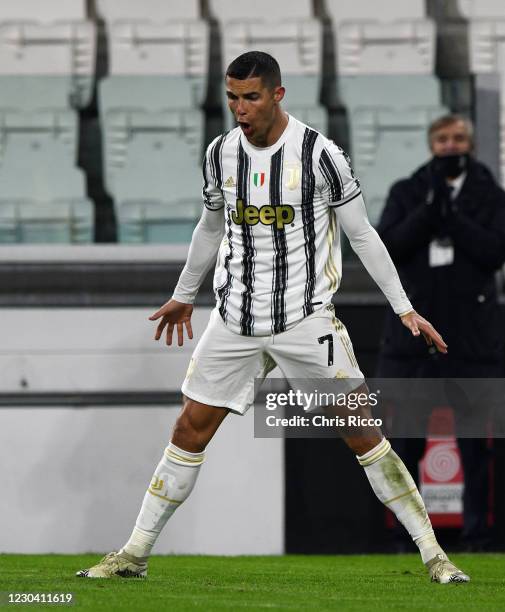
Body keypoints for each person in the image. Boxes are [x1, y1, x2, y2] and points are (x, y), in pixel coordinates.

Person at [77, 52, 469, 583]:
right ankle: (134, 554)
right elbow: (210, 229)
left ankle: (434, 555)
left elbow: (361, 236)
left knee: (363, 434)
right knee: (189, 429)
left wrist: (403, 308)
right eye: (232, 97)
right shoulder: (220, 154)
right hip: (234, 318)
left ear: (278, 94)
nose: (240, 108)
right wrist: (183, 294)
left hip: (305, 320)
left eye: (251, 97)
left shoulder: (320, 155)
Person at [376, 114, 505, 550]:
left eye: (458, 139)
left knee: (476, 447)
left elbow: (493, 253)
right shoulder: (407, 192)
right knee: (405, 445)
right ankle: (406, 536)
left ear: (470, 143)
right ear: (431, 144)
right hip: (411, 341)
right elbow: (387, 248)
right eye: (442, 139)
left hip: (472, 344)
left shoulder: (490, 195)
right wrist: (430, 213)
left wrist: (453, 221)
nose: (450, 146)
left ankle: (478, 536)